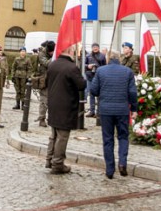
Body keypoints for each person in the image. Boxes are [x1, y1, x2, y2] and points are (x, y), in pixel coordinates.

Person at [88, 51, 137, 179]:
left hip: (106, 110)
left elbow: (93, 90)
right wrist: (134, 109)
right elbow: (132, 93)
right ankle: (122, 162)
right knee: (123, 137)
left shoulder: (101, 71)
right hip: (122, 110)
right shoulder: (127, 72)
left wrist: (102, 94)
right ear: (119, 59)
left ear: (108, 59)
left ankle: (110, 170)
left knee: (108, 139)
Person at [45, 43, 86, 174]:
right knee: (62, 136)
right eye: (74, 51)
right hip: (65, 105)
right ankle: (57, 164)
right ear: (70, 51)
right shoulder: (71, 67)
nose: (75, 53)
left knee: (54, 135)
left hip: (53, 103)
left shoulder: (53, 64)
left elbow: (46, 82)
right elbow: (81, 85)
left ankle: (49, 159)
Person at [32, 41, 54, 127]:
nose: (52, 54)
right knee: (44, 101)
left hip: (53, 80)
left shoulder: (53, 53)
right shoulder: (41, 54)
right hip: (44, 81)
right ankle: (42, 119)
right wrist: (55, 56)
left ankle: (51, 118)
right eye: (51, 52)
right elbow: (47, 63)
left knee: (53, 101)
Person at [84, 43, 107, 117]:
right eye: (94, 47)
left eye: (96, 47)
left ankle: (99, 112)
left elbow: (105, 66)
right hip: (90, 77)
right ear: (92, 48)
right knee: (91, 94)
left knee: (99, 95)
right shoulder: (88, 56)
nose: (95, 48)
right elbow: (84, 65)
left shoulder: (102, 56)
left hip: (99, 77)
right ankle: (92, 110)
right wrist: (88, 66)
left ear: (99, 48)